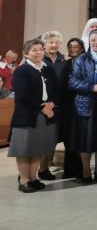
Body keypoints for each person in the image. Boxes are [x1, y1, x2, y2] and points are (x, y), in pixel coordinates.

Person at [8, 39, 58, 193]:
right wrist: (43, 107)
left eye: (40, 49)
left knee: (37, 148)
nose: (38, 52)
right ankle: (23, 180)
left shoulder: (47, 69)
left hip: (45, 115)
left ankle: (33, 178)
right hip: (26, 116)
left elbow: (56, 89)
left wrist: (51, 104)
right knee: (24, 150)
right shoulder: (21, 71)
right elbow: (23, 95)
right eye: (34, 50)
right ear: (26, 54)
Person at [69, 28, 97, 183]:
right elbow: (72, 81)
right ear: (89, 42)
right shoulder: (82, 59)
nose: (96, 43)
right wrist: (91, 86)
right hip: (86, 104)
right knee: (84, 140)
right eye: (93, 40)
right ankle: (86, 171)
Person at [39, 31, 67, 180]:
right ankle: (28, 172)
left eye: (57, 42)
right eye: (50, 42)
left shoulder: (63, 61)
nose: (54, 45)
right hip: (40, 107)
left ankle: (44, 169)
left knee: (51, 140)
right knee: (37, 140)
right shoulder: (37, 58)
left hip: (57, 106)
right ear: (44, 44)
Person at [59, 37, 84, 178]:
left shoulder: (87, 63)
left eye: (76, 47)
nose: (73, 49)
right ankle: (69, 170)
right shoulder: (65, 64)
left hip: (83, 106)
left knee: (80, 139)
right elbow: (62, 86)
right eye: (70, 47)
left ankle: (80, 170)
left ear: (81, 48)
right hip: (68, 107)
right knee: (69, 140)